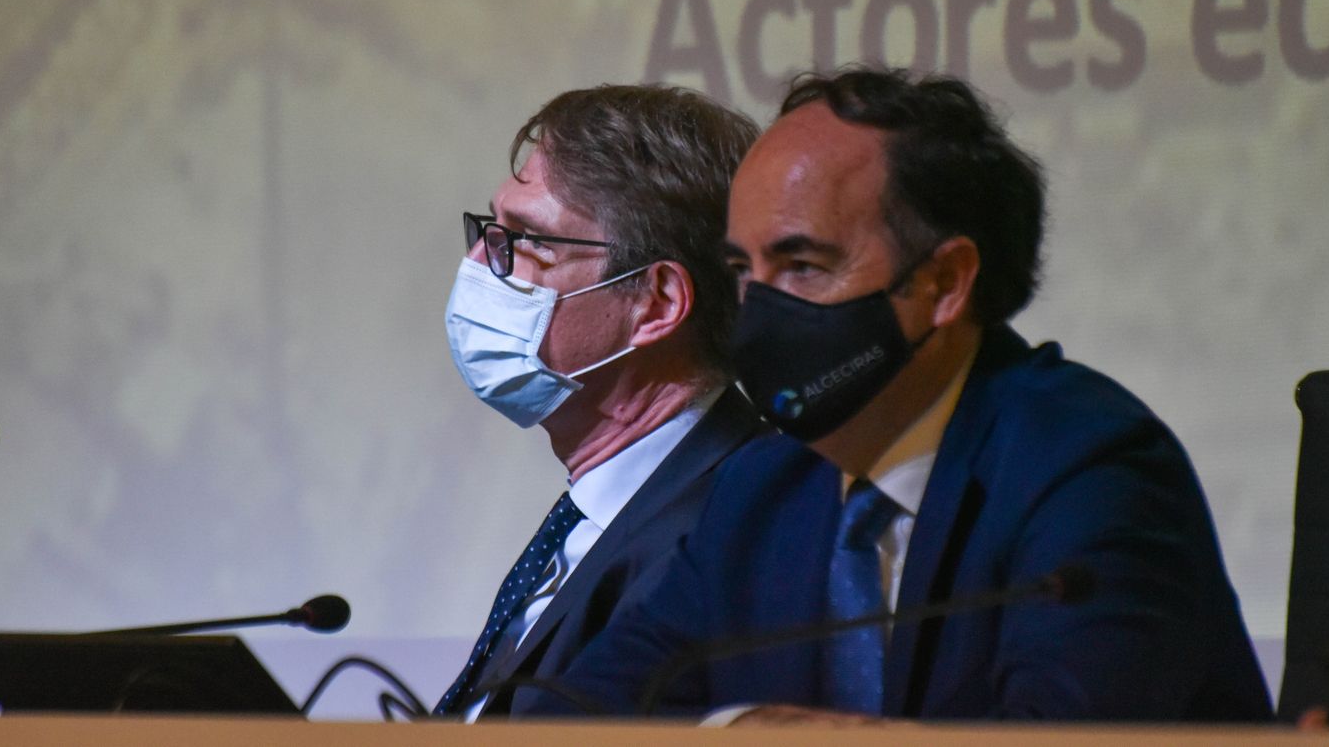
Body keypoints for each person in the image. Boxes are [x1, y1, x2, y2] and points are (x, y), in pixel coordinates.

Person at [525, 67, 1273, 722]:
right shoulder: (762, 492)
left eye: (803, 267)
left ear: (945, 283)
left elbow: (1063, 737)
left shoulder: (1087, 466)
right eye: (745, 272)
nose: (760, 310)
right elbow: (584, 715)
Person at [433, 84, 767, 718]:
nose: (481, 263)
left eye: (529, 240)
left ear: (657, 304)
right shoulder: (597, 510)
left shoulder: (738, 527)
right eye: (491, 228)